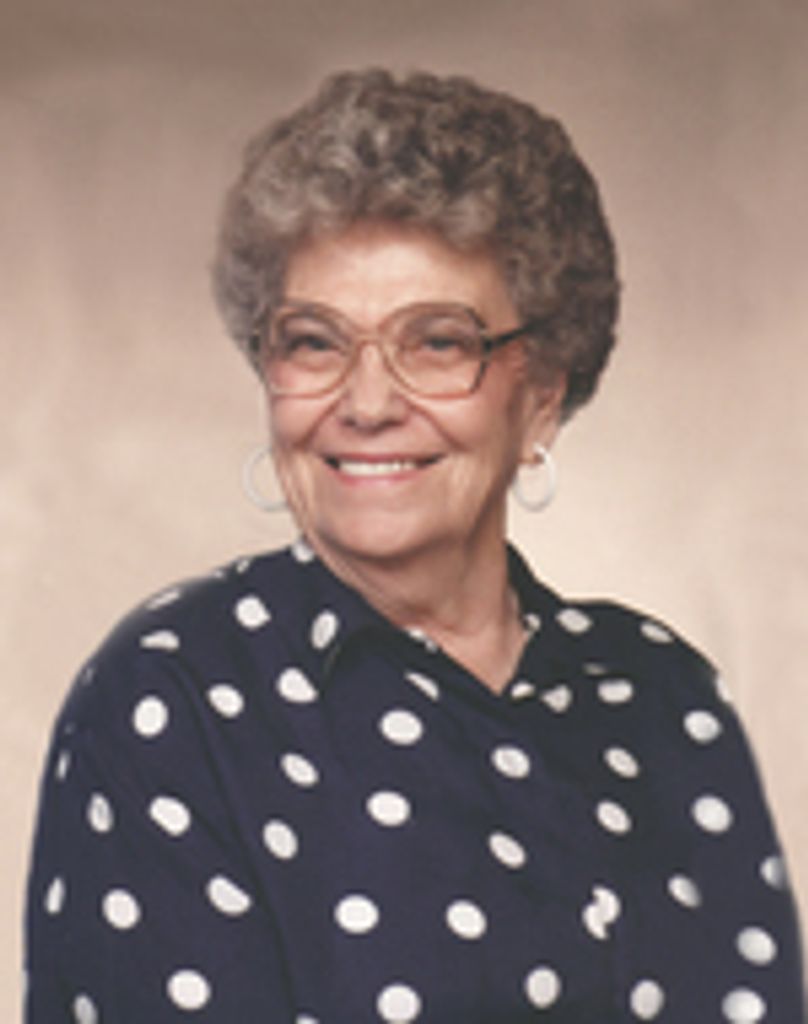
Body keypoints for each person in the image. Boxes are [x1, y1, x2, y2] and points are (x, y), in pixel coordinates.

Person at [25, 68, 804, 1023]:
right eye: (315, 341)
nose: (366, 403)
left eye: (438, 342)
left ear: (541, 396)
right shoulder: (173, 694)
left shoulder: (661, 695)